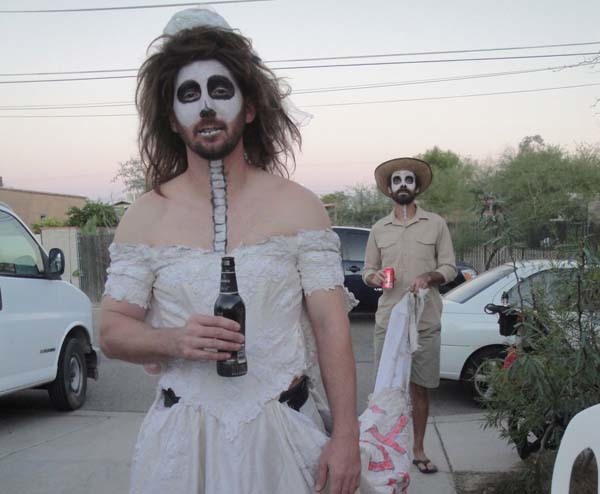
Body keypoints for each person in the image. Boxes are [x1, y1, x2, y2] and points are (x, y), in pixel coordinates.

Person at [99, 8, 361, 494]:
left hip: (287, 440)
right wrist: (173, 341)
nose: (205, 107)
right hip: (180, 452)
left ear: (249, 108)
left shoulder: (301, 208)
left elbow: (331, 326)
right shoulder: (143, 217)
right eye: (188, 95)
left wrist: (347, 437)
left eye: (220, 91)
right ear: (172, 119)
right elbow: (112, 329)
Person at [362, 157, 457, 475]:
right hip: (389, 321)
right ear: (389, 189)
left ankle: (417, 449)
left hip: (425, 321)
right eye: (397, 181)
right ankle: (383, 446)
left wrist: (429, 277)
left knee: (420, 388)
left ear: (416, 187)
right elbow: (367, 271)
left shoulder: (436, 224)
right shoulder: (378, 229)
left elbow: (450, 267)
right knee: (386, 388)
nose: (403, 185)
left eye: (409, 180)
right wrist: (373, 278)